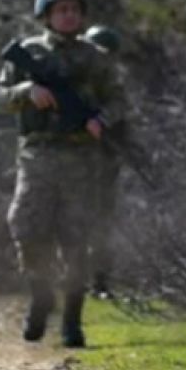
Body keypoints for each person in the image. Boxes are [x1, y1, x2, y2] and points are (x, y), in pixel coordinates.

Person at [0, 0, 126, 348]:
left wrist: (102, 120)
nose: (68, 16)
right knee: (26, 226)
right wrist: (26, 92)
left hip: (82, 157)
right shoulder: (28, 52)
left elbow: (118, 99)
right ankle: (40, 294)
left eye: (74, 10)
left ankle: (72, 320)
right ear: (47, 14)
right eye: (61, 10)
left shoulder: (95, 58)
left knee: (76, 239)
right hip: (38, 154)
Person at [82, 24, 124, 299]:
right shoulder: (77, 83)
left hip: (103, 164)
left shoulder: (112, 88)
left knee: (102, 225)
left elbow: (120, 115)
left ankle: (100, 282)